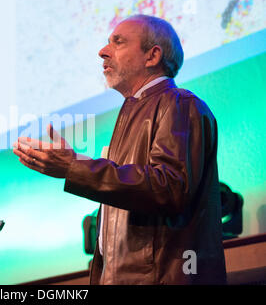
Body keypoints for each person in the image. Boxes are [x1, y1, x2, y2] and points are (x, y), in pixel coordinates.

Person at [12, 14, 227, 285]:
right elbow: (129, 184)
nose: (103, 52)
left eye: (118, 42)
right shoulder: (133, 111)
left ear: (152, 56)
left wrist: (73, 167)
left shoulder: (179, 103)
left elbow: (168, 188)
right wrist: (75, 161)